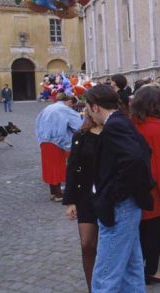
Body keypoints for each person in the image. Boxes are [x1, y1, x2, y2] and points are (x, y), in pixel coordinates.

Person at [84, 84, 154, 293]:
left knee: (106, 275)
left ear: (95, 107)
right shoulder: (122, 121)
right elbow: (144, 151)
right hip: (128, 204)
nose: (87, 113)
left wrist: (113, 194)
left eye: (87, 108)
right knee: (131, 270)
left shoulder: (115, 124)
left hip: (120, 206)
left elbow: (135, 158)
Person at [131, 86, 160, 285]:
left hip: (135, 188)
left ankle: (136, 269)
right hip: (154, 191)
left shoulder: (132, 124)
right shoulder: (158, 129)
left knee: (139, 233)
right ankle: (151, 271)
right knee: (153, 234)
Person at [63, 117, 101, 292]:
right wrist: (70, 200)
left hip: (110, 196)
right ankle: (92, 287)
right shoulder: (81, 135)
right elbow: (72, 167)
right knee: (87, 244)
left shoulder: (115, 133)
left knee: (111, 247)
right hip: (85, 196)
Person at [36, 93, 83, 201]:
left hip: (44, 140)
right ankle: (58, 194)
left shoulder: (48, 108)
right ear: (68, 101)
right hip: (57, 141)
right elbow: (78, 125)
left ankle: (53, 192)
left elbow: (37, 123)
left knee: (49, 166)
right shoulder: (64, 109)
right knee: (57, 167)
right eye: (71, 104)